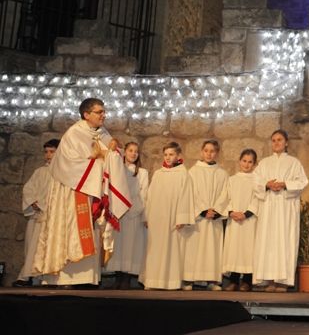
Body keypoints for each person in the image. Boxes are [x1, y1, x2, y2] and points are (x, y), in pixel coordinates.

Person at [32, 98, 131, 287]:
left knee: (91, 231)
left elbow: (114, 156)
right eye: (99, 112)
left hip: (92, 193)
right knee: (71, 230)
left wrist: (112, 152)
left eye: (104, 111)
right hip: (72, 193)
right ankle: (64, 278)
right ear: (86, 114)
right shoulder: (74, 134)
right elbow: (70, 165)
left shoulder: (103, 134)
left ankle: (87, 278)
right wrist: (101, 158)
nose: (103, 115)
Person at [252, 129, 309, 291]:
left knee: (284, 240)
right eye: (274, 140)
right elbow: (255, 181)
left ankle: (282, 281)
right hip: (269, 206)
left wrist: (285, 184)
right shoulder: (264, 163)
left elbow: (303, 181)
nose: (276, 143)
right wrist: (267, 184)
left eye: (279, 140)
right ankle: (269, 280)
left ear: (286, 143)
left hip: (285, 207)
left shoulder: (294, 162)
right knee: (268, 241)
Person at [140, 142, 194, 290]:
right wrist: (146, 216)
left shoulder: (183, 174)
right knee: (154, 249)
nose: (168, 158)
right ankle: (152, 281)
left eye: (171, 154)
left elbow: (186, 197)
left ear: (178, 156)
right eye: (166, 155)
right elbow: (150, 196)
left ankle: (171, 282)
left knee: (173, 250)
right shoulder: (158, 174)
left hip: (173, 219)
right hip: (157, 219)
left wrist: (182, 218)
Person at [182, 140, 229, 291]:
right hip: (198, 218)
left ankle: (212, 280)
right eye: (206, 151)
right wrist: (202, 210)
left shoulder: (222, 173)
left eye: (212, 151)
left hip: (214, 218)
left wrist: (216, 210)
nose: (209, 154)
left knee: (212, 250)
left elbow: (226, 194)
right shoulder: (192, 172)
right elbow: (191, 193)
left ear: (217, 153)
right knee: (194, 248)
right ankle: (189, 279)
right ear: (202, 152)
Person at [14, 139, 59, 286]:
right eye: (46, 152)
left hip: (53, 217)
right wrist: (33, 203)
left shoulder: (62, 174)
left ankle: (46, 278)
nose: (48, 155)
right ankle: (27, 276)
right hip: (37, 214)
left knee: (47, 249)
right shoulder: (39, 172)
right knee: (31, 247)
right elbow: (28, 189)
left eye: (52, 151)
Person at [104, 142, 148, 289]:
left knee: (131, 246)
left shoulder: (142, 172)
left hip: (134, 212)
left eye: (136, 151)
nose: (133, 154)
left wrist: (136, 210)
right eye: (130, 151)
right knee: (118, 245)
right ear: (125, 152)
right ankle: (118, 276)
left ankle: (126, 278)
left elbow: (144, 194)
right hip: (118, 212)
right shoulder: (118, 170)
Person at [222, 149, 259, 292]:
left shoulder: (257, 181)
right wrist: (231, 212)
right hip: (235, 220)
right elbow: (227, 197)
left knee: (248, 250)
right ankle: (234, 280)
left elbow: (257, 198)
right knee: (235, 249)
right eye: (244, 161)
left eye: (250, 162)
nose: (247, 164)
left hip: (249, 220)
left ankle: (247, 282)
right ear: (239, 161)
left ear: (255, 164)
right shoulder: (232, 180)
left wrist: (247, 213)